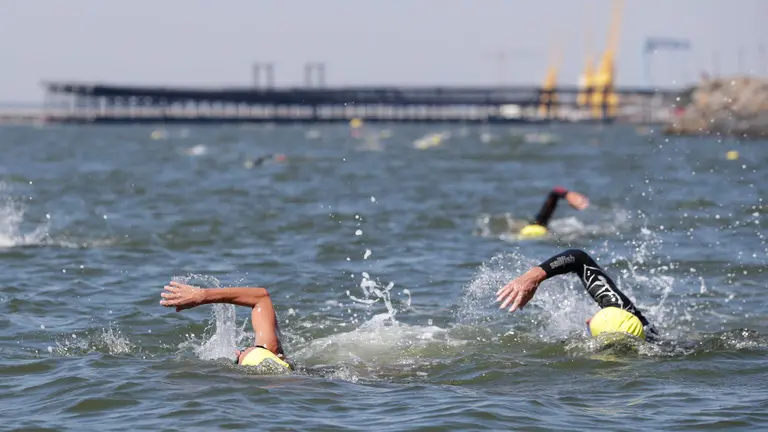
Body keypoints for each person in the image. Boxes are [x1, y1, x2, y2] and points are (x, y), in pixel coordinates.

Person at [496, 248, 659, 341]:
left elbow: (579, 258)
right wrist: (535, 275)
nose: (589, 320)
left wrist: (533, 276)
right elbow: (578, 259)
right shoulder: (647, 335)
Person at [160, 281, 292, 371]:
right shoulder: (273, 353)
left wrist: (202, 295)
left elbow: (261, 297)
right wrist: (203, 295)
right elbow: (261, 298)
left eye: (237, 359)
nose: (237, 352)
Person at [518, 187, 590, 238]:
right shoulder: (538, 225)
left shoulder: (534, 226)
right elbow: (554, 192)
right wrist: (568, 195)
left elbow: (554, 192)